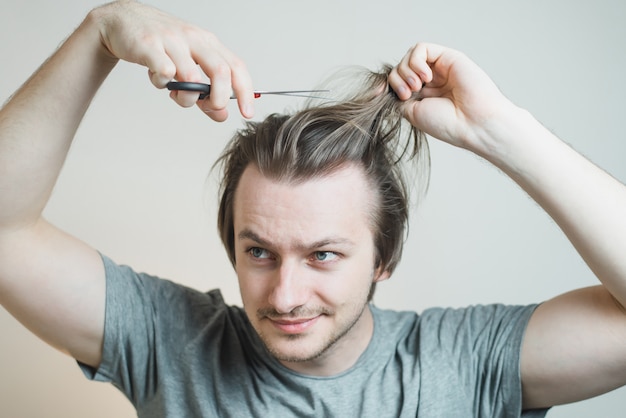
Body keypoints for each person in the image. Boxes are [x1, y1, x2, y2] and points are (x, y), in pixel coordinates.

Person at [1, 1, 625, 417]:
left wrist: (500, 131)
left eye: (323, 254)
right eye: (259, 253)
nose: (284, 294)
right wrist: (102, 31)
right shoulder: (173, 340)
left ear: (386, 256)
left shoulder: (467, 360)